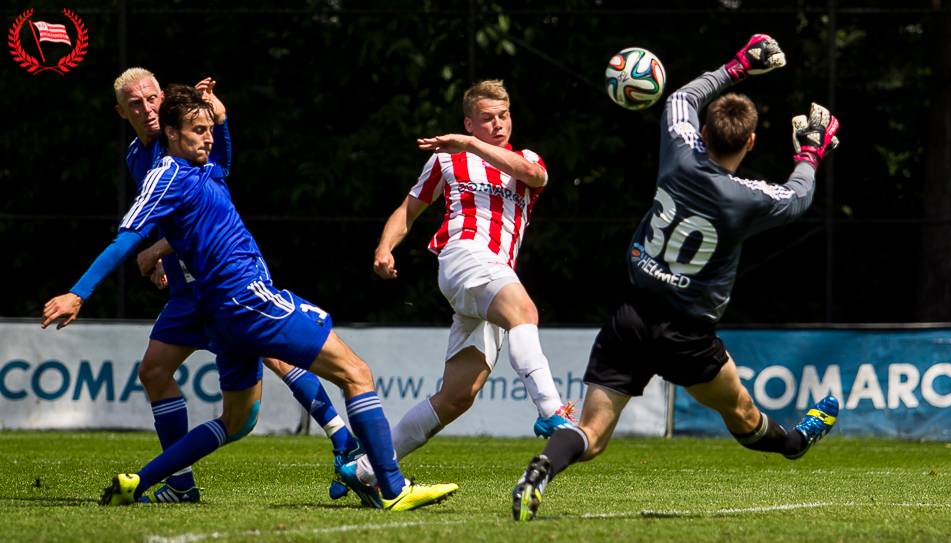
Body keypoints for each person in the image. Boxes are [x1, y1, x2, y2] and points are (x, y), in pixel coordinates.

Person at [42, 85, 458, 511]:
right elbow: (126, 238)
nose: (206, 137)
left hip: (223, 315)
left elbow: (221, 155)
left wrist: (221, 122)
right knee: (356, 373)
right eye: (198, 130)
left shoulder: (203, 169)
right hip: (246, 298)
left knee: (236, 420)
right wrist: (78, 293)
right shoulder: (166, 174)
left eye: (208, 130)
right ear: (170, 132)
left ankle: (139, 481)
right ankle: (391, 488)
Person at [511, 34, 841, 521]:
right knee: (744, 416)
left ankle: (538, 471)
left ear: (702, 132)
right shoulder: (745, 198)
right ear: (750, 142)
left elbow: (681, 98)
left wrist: (740, 64)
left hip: (632, 314)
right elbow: (797, 197)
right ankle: (794, 442)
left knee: (592, 433)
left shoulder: (680, 152)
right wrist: (810, 151)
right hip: (686, 333)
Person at [91, 68, 360, 503]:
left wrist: (223, 121)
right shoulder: (136, 156)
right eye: (135, 103)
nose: (147, 107)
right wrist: (163, 255)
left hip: (217, 282)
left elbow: (216, 179)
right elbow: (171, 214)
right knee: (155, 371)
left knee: (271, 351)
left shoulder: (180, 138)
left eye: (151, 97)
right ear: (122, 112)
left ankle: (343, 438)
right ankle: (180, 484)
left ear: (162, 96)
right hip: (187, 289)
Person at [339, 79, 575, 506]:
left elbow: (533, 175)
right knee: (525, 312)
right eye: (487, 118)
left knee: (457, 396)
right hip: (464, 257)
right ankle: (551, 413)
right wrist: (384, 247)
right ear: (470, 120)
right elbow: (409, 210)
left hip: (494, 274)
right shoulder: (447, 163)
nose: (498, 124)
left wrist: (469, 143)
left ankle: (366, 469)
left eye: (504, 116)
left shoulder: (525, 159)